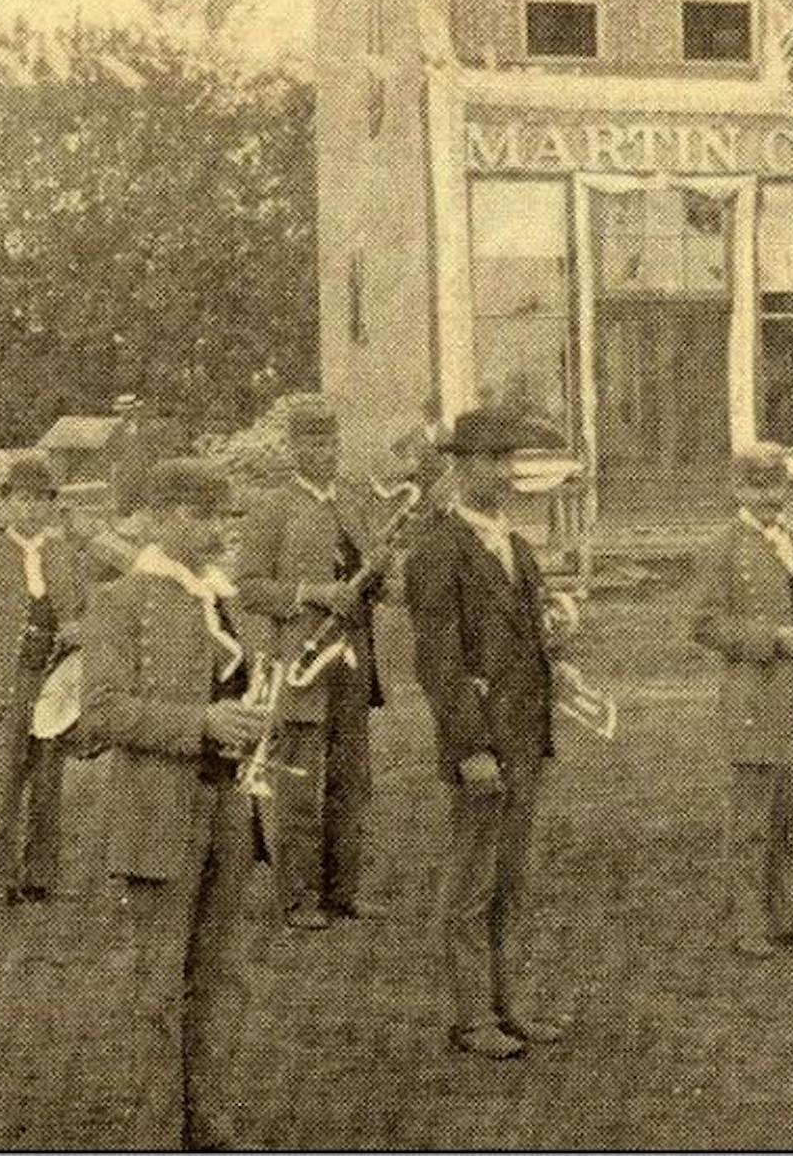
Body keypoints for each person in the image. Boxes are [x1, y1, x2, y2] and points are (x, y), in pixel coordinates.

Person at [76, 458, 265, 1150]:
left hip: (229, 807)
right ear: (155, 518)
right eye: (196, 513)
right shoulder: (120, 601)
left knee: (220, 977)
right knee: (157, 983)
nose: (213, 527)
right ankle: (155, 1132)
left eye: (219, 514)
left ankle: (209, 1124)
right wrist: (203, 723)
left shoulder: (218, 596)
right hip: (158, 811)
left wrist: (249, 718)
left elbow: (234, 686)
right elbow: (99, 712)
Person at [405, 407, 573, 1060]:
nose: (504, 472)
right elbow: (439, 664)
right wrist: (471, 747)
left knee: (512, 877)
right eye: (489, 460)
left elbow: (525, 638)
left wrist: (551, 640)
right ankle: (472, 1015)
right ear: (458, 465)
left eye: (509, 460)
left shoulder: (517, 545)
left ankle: (508, 1004)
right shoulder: (438, 550)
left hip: (527, 736)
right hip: (483, 743)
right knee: (472, 880)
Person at [234, 395, 390, 930]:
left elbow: (370, 580)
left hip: (351, 664)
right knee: (298, 782)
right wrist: (313, 593)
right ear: (293, 448)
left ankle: (342, 891)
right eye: (313, 443)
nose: (325, 452)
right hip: (302, 664)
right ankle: (297, 897)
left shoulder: (353, 501)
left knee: (351, 781)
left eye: (331, 442)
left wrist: (377, 576)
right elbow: (249, 588)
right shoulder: (271, 508)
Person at [688, 443, 793, 959]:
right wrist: (773, 638)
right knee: (752, 819)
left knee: (790, 813)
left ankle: (788, 914)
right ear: (738, 489)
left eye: (778, 487)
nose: (771, 498)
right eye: (759, 488)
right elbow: (705, 625)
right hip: (756, 698)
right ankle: (748, 925)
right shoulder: (722, 547)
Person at [0, 455, 94, 908]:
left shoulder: (66, 555)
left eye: (41, 501)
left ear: (52, 507)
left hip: (54, 677)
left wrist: (80, 627)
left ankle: (40, 876)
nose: (31, 510)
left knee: (47, 777)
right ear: (4, 503)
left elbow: (87, 613)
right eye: (22, 500)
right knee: (4, 780)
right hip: (8, 682)